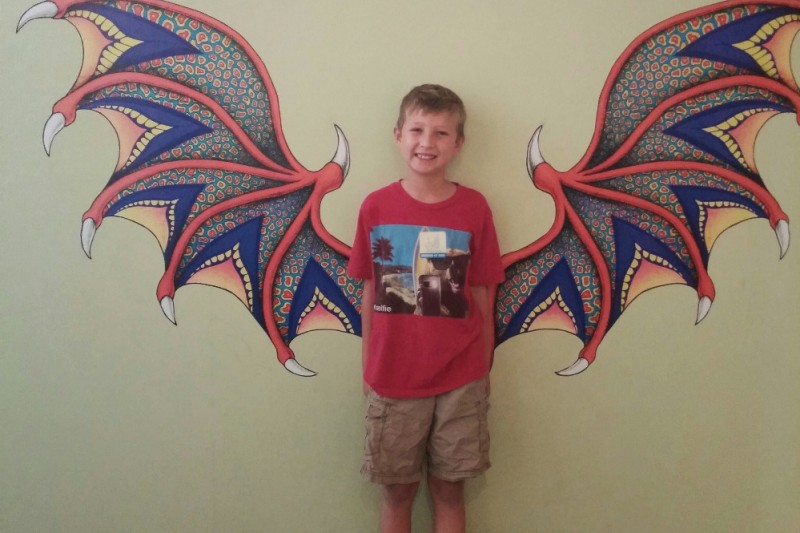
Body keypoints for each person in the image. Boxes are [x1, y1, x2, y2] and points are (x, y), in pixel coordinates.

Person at [348, 84, 504, 533]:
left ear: (458, 143)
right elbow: (368, 292)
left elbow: (481, 295)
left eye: (440, 133)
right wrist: (367, 367)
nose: (426, 142)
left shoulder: (474, 207)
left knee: (449, 491)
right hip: (393, 377)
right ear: (398, 134)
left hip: (461, 378)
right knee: (396, 493)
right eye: (417, 129)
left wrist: (484, 367)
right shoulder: (376, 206)